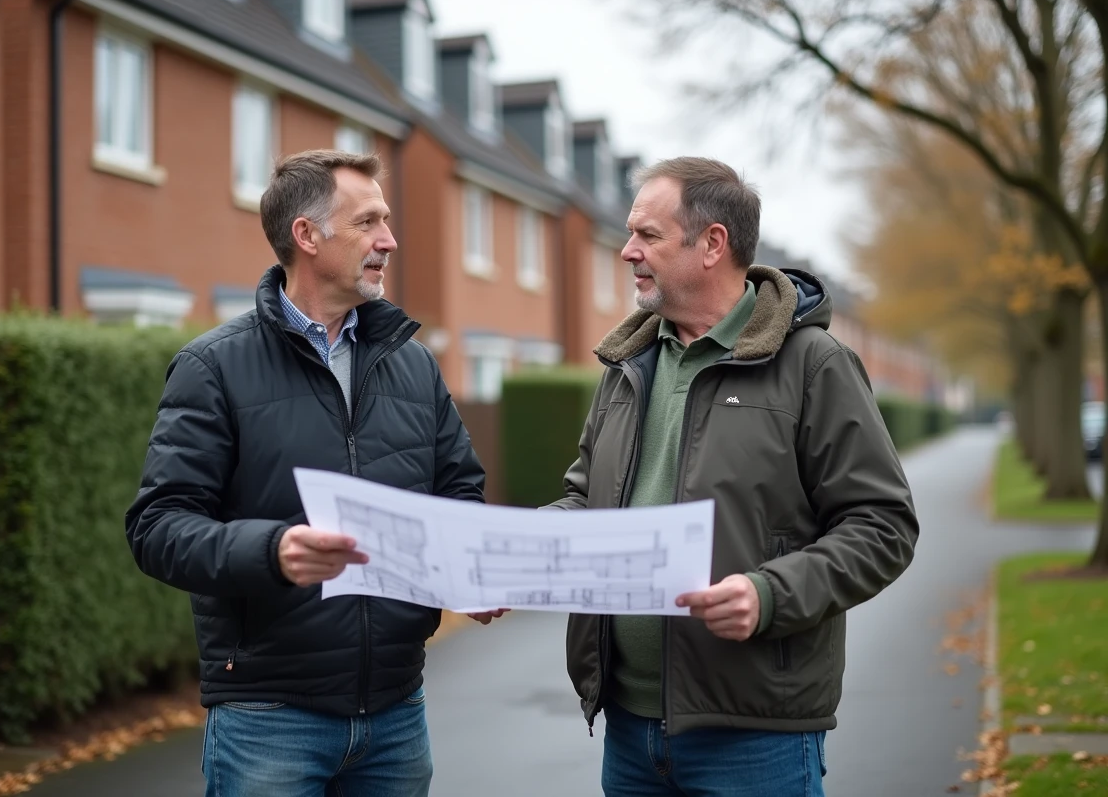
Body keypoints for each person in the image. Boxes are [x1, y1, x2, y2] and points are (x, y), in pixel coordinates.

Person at [528, 157, 918, 795]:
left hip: (755, 737)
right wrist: (516, 553)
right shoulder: (627, 367)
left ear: (712, 244)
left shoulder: (814, 364)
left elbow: (882, 525)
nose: (627, 252)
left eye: (647, 236)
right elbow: (585, 501)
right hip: (629, 731)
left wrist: (768, 595)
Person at [125, 150, 484, 797]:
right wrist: (272, 550)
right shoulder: (213, 368)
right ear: (307, 235)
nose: (389, 240)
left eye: (388, 220)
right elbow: (157, 527)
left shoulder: (415, 366)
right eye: (369, 222)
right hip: (269, 720)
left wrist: (471, 569)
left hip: (398, 711)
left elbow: (459, 492)